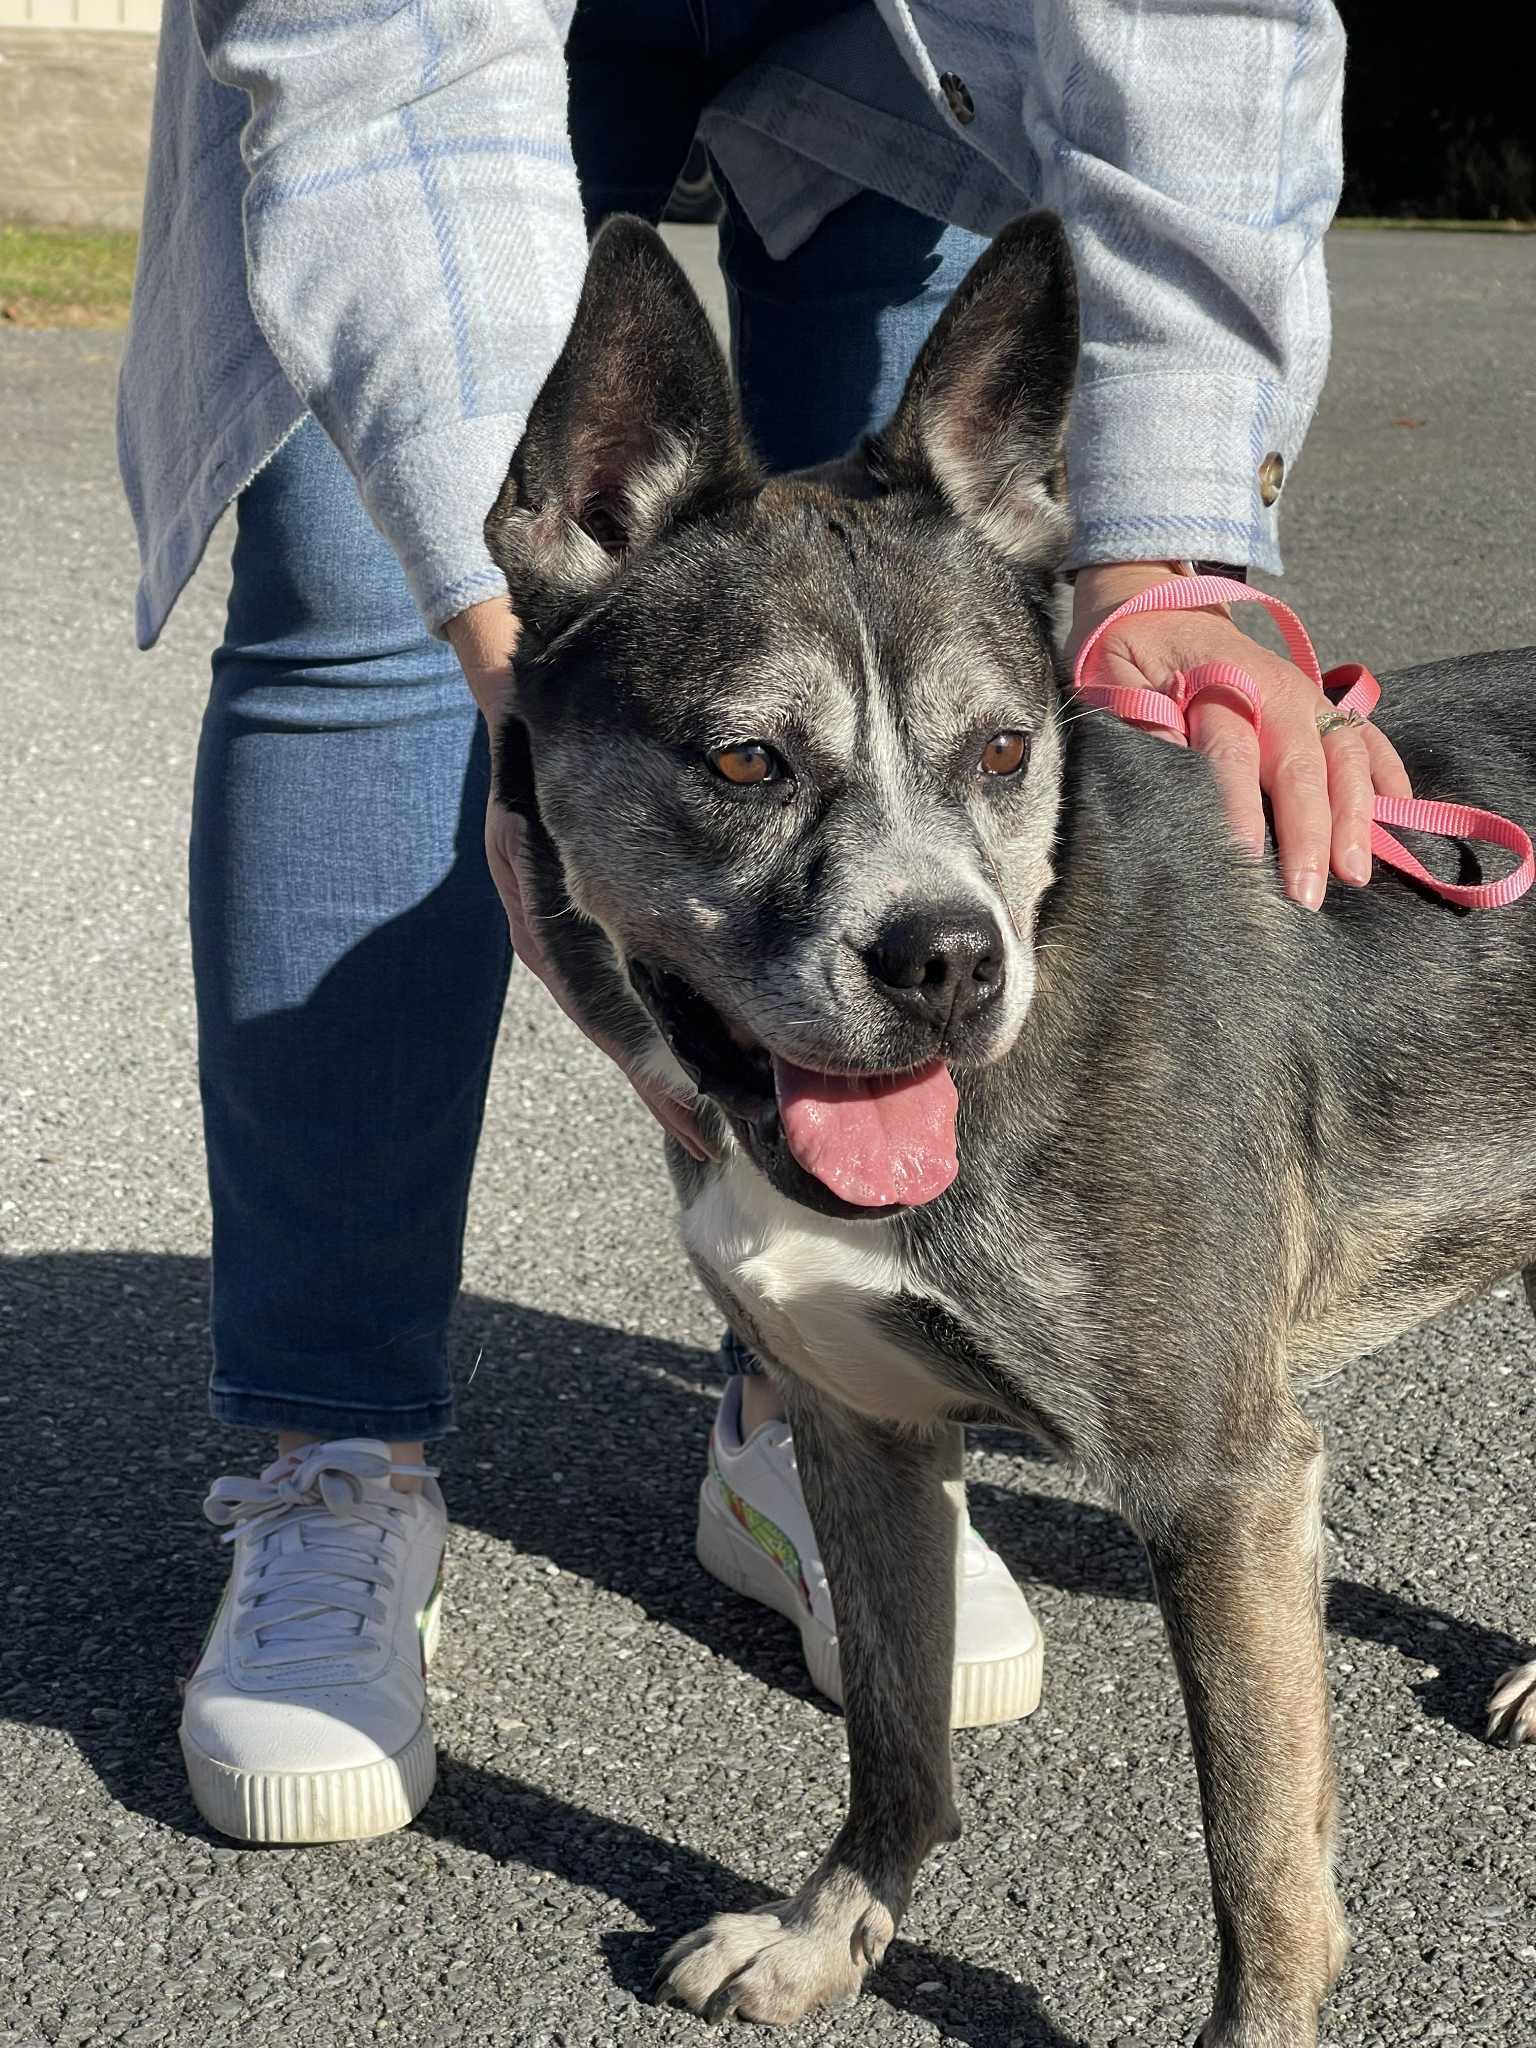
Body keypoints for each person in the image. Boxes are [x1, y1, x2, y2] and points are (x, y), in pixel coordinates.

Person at [120, 0, 1409, 1844]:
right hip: (423, 41)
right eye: (747, 766)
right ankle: (337, 1450)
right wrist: (533, 685)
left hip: (910, 36)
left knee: (897, 549)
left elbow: (1195, 22)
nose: (938, 923)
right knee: (357, 604)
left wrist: (1185, 540)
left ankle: (833, 1406)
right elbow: (373, 60)